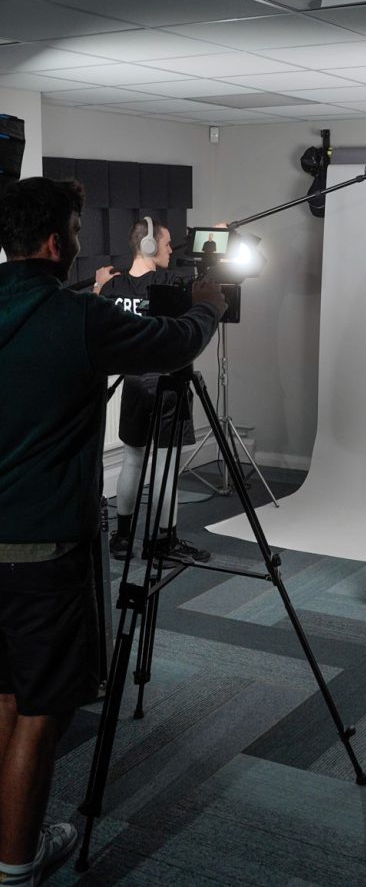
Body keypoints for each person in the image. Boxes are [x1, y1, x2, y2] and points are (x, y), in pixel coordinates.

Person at [0, 177, 226, 886]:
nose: (76, 239)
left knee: (4, 692)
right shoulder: (76, 315)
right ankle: (17, 861)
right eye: (71, 225)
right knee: (42, 709)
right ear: (50, 241)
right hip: (46, 546)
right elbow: (169, 345)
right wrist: (211, 308)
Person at [95, 218, 209, 563]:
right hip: (167, 383)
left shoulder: (111, 289)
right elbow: (207, 293)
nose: (172, 250)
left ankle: (122, 538)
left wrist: (99, 288)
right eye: (167, 243)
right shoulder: (171, 282)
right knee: (164, 464)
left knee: (132, 458)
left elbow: (100, 314)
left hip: (131, 383)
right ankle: (163, 542)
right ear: (148, 246)